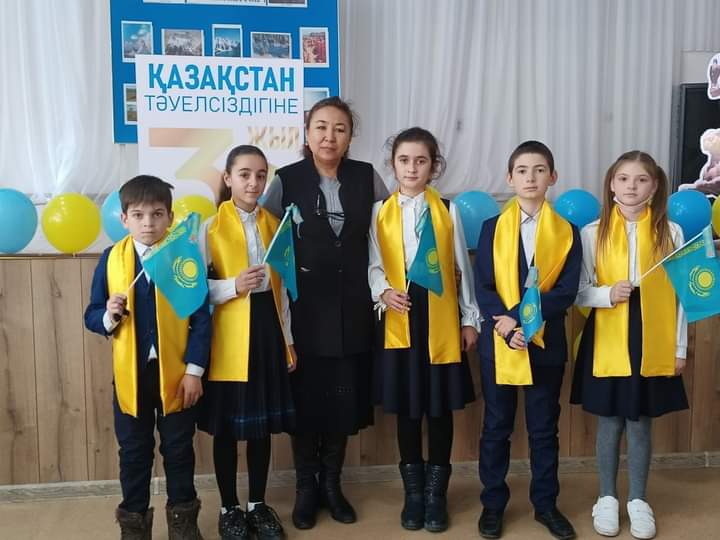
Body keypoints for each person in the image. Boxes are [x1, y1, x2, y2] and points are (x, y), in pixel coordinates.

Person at [262, 96, 389, 529]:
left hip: (354, 307)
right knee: (306, 399)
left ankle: (332, 484)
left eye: (339, 128)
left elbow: (388, 232)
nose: (329, 136)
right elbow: (266, 237)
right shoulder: (285, 180)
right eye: (321, 127)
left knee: (342, 399)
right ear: (307, 132)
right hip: (304, 309)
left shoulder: (367, 178)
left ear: (350, 136)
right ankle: (305, 487)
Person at [84, 175, 211, 540]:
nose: (148, 223)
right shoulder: (111, 259)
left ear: (170, 217)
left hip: (177, 374)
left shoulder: (183, 258)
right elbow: (91, 315)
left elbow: (201, 318)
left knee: (178, 450)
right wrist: (109, 315)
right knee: (134, 452)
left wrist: (194, 371)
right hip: (131, 377)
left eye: (157, 214)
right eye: (138, 215)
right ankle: (135, 525)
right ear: (124, 219)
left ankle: (183, 523)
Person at [571, 151, 689, 540]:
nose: (632, 186)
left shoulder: (671, 232)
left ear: (654, 186)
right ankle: (606, 497)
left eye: (641, 179)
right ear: (611, 184)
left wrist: (679, 348)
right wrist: (606, 294)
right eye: (623, 179)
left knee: (639, 422)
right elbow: (579, 291)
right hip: (608, 333)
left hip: (651, 334)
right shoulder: (593, 232)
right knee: (609, 421)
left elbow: (681, 297)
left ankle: (638, 499)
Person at [368, 127, 480, 532]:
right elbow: (373, 263)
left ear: (433, 166)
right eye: (404, 160)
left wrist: (469, 318)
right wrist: (383, 292)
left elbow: (460, 268)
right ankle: (413, 495)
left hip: (440, 318)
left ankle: (436, 496)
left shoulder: (447, 210)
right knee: (409, 410)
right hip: (400, 317)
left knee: (438, 409)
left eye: (421, 161)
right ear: (393, 164)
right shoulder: (379, 211)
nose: (412, 168)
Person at [474, 141, 581, 540]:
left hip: (544, 344)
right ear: (510, 178)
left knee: (543, 429)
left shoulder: (567, 233)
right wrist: (504, 326)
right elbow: (483, 286)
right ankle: (492, 505)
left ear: (552, 177)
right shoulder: (492, 228)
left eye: (539, 170)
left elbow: (566, 292)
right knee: (496, 427)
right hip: (500, 342)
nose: (530, 177)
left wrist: (519, 319)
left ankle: (546, 505)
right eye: (522, 170)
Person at [197, 145, 297, 540]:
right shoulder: (209, 228)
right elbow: (194, 291)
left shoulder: (275, 224)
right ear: (228, 178)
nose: (253, 182)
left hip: (268, 331)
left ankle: (257, 504)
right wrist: (232, 286)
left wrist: (288, 340)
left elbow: (283, 289)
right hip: (226, 335)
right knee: (226, 428)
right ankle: (228, 507)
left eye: (260, 175)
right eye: (244, 174)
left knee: (260, 426)